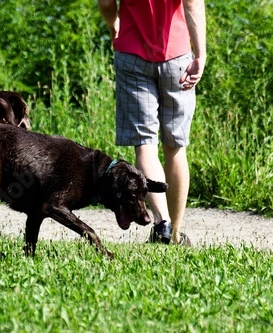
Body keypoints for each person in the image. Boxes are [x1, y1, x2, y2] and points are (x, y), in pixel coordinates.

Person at [98, 0, 207, 245]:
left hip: (131, 55)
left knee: (145, 145)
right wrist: (200, 54)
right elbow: (192, 4)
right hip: (177, 56)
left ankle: (161, 224)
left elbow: (106, 2)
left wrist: (114, 24)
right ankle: (176, 234)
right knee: (175, 147)